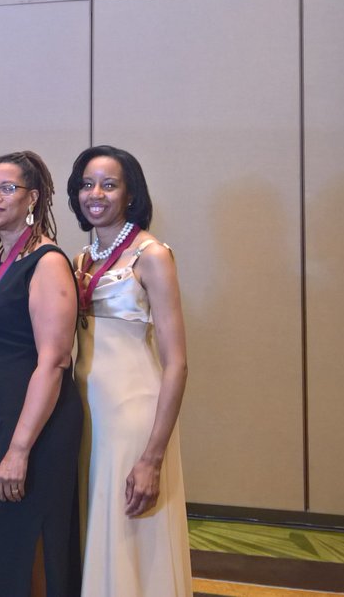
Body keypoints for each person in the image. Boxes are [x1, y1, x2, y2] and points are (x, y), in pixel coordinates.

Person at [67, 146, 192, 596]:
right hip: (86, 411)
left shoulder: (152, 255)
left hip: (133, 414)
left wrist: (153, 456)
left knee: (128, 528)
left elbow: (177, 361)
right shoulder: (82, 259)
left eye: (108, 184)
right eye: (86, 184)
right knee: (92, 526)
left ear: (130, 193)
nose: (94, 194)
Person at [0, 151, 82, 596]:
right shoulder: (5, 257)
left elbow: (53, 360)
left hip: (34, 426)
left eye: (6, 189)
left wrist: (19, 449)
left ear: (32, 197)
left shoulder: (47, 261)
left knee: (18, 546)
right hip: (1, 417)